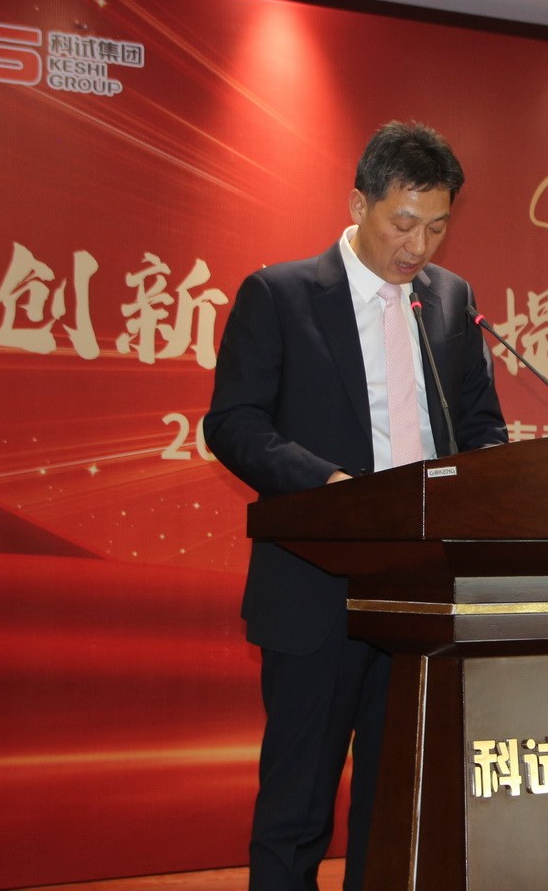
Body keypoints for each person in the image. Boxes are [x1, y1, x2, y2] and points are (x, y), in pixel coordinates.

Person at [205, 120, 507, 891]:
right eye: (403, 222)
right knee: (297, 805)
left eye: (436, 227)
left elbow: (480, 428)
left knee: (395, 803)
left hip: (422, 595)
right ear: (358, 203)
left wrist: (488, 488)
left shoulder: (450, 301)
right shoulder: (281, 296)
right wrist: (333, 489)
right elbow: (234, 423)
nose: (418, 246)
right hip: (318, 583)